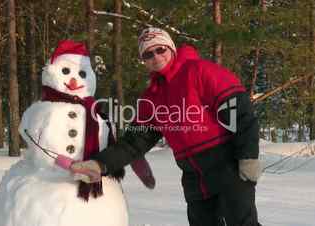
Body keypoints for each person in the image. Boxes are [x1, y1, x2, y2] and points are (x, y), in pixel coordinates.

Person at [70, 27, 262, 226]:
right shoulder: (152, 97)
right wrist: (100, 164)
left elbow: (241, 114)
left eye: (160, 49)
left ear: (171, 48)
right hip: (194, 178)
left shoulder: (199, 71)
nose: (156, 56)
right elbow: (133, 143)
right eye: (148, 54)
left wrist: (248, 157)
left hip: (228, 167)